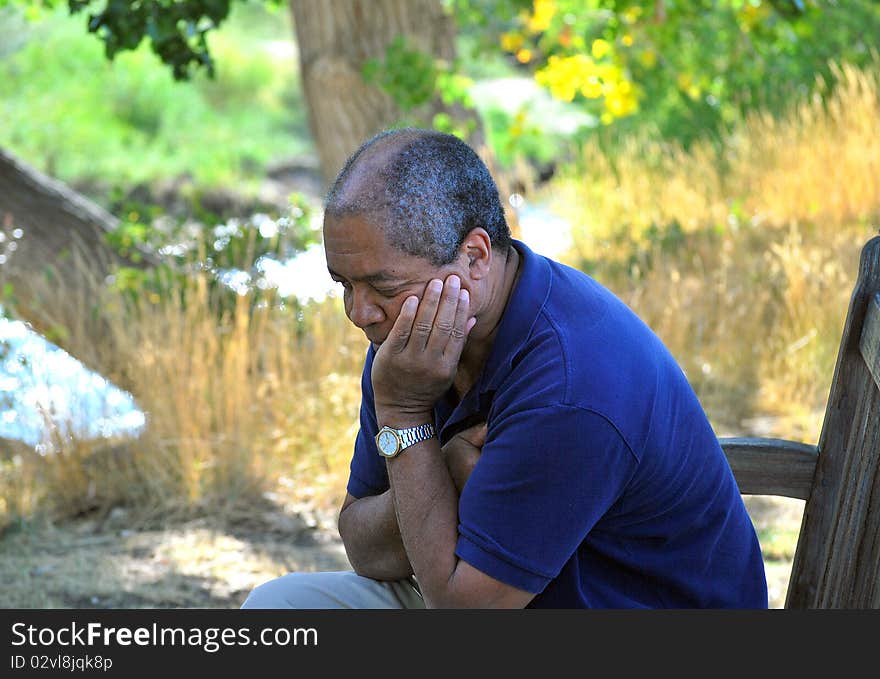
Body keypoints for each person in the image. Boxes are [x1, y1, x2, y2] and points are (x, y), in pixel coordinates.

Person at [241, 128, 768, 609]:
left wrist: (404, 415)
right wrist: (441, 466)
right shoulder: (411, 343)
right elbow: (366, 549)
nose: (359, 313)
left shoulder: (569, 383)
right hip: (500, 592)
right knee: (279, 611)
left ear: (474, 255)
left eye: (382, 286)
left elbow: (464, 614)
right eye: (343, 285)